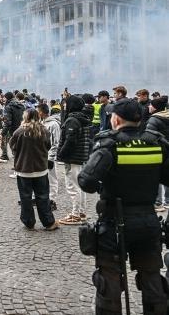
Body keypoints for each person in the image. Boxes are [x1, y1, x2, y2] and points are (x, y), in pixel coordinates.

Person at [78, 98, 169, 315]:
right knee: (152, 279)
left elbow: (86, 181)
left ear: (116, 119)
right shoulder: (157, 143)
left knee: (108, 281)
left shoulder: (109, 143)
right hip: (148, 220)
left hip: (114, 223)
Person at [9, 108, 58, 230]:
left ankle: (28, 222)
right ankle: (48, 222)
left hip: (23, 170)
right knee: (43, 196)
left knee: (25, 197)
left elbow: (12, 146)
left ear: (25, 117)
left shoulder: (19, 132)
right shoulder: (44, 131)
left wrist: (19, 154)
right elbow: (48, 146)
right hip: (41, 169)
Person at [57, 95, 92, 225]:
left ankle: (75, 214)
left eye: (66, 103)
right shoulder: (83, 118)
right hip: (80, 156)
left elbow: (70, 140)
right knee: (79, 186)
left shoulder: (72, 120)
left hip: (72, 157)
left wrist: (61, 154)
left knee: (72, 186)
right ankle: (82, 212)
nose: (64, 106)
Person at [146, 95, 169, 211]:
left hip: (159, 152)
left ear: (155, 108)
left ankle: (158, 202)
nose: (149, 106)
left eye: (151, 105)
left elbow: (150, 137)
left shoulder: (154, 119)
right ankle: (168, 202)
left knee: (158, 176)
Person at [38, 103, 61, 211]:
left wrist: (51, 158)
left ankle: (52, 200)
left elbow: (56, 143)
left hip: (49, 156)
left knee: (52, 179)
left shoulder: (53, 125)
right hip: (41, 156)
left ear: (41, 112)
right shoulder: (42, 123)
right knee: (42, 178)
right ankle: (43, 198)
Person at [1, 92, 25, 161]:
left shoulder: (8, 107)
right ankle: (20, 162)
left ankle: (17, 164)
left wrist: (3, 132)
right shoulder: (22, 105)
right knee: (20, 146)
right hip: (21, 128)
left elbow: (8, 122)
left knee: (13, 146)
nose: (3, 99)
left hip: (12, 130)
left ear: (7, 98)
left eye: (4, 98)